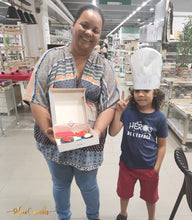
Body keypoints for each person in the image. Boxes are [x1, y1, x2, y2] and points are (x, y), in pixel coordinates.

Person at [23, 4, 119, 220]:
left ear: (99, 36)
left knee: (88, 185)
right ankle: (63, 216)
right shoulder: (51, 58)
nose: (89, 33)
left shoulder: (104, 66)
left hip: (89, 143)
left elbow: (110, 104)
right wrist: (48, 128)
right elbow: (36, 97)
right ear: (73, 25)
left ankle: (93, 216)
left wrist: (96, 131)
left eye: (95, 30)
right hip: (54, 140)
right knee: (60, 183)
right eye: (84, 26)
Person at [109, 47, 168, 220]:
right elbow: (113, 133)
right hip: (127, 165)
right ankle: (123, 212)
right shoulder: (128, 112)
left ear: (154, 92)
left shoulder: (159, 118)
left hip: (149, 167)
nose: (140, 94)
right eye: (137, 90)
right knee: (124, 193)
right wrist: (118, 112)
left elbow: (162, 145)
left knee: (150, 197)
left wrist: (156, 168)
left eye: (146, 90)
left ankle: (151, 217)